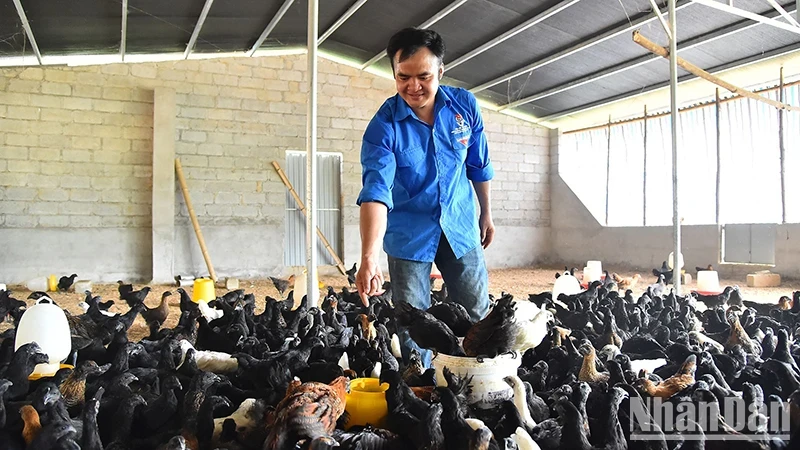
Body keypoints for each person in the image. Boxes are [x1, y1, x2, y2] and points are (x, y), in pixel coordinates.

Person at [355, 27, 495, 368]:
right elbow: (376, 191)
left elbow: (479, 164)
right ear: (393, 72)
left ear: (441, 72)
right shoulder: (384, 125)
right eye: (403, 77)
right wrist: (369, 257)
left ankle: (480, 379)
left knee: (477, 312)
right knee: (413, 323)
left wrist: (486, 214)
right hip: (409, 235)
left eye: (423, 76)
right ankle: (424, 386)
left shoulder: (464, 107)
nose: (413, 87)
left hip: (460, 226)